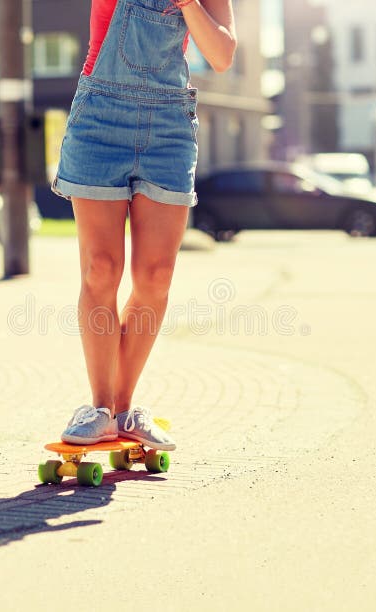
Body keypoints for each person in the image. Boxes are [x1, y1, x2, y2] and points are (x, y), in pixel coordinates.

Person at [51, 0, 237, 449]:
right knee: (101, 268)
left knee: (154, 277)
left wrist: (190, 3)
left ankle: (122, 408)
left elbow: (222, 55)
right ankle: (99, 408)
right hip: (100, 119)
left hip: (168, 128)